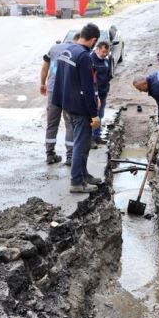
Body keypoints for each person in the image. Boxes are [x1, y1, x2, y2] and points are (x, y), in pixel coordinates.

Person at [52, 23, 102, 193]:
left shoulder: (68, 51)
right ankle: (76, 182)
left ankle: (83, 174)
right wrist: (94, 114)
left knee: (82, 142)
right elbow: (87, 88)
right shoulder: (84, 56)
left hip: (67, 104)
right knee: (82, 143)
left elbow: (59, 78)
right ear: (94, 40)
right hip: (80, 108)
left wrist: (58, 102)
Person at [40, 36, 78, 165]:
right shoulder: (78, 50)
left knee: (52, 123)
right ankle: (70, 157)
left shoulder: (54, 48)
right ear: (78, 40)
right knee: (70, 124)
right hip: (69, 92)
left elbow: (45, 67)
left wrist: (42, 83)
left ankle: (50, 155)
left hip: (52, 90)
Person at [90, 41, 112, 148]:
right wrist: (95, 94)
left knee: (100, 115)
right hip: (94, 94)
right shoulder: (91, 60)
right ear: (98, 49)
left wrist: (106, 89)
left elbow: (108, 76)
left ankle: (96, 136)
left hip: (103, 93)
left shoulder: (107, 61)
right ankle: (90, 139)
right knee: (93, 117)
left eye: (107, 52)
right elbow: (90, 80)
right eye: (103, 52)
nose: (105, 54)